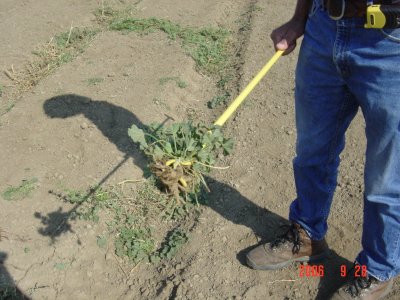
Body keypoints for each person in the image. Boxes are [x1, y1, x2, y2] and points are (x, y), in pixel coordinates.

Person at [246, 0, 400, 299]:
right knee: (312, 151)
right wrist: (299, 17)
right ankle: (307, 234)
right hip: (324, 28)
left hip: (391, 42)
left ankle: (377, 270)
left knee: (387, 176)